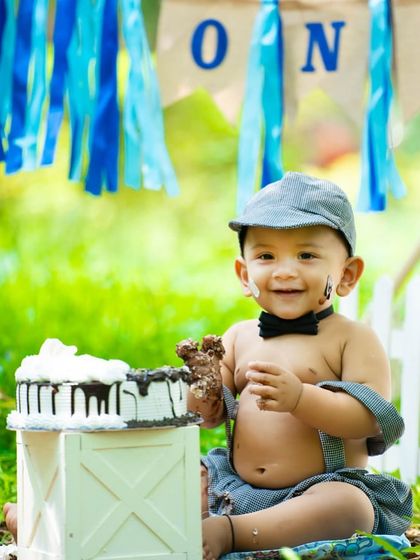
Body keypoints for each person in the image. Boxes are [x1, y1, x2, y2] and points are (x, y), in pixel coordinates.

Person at [185, 172, 412, 560]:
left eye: (306, 255)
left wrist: (300, 398)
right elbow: (207, 414)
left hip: (318, 490)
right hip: (235, 488)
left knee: (349, 506)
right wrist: (203, 389)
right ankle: (198, 523)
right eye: (266, 256)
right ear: (244, 274)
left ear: (347, 275)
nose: (285, 270)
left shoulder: (351, 338)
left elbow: (370, 419)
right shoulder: (239, 337)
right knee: (180, 473)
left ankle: (232, 534)